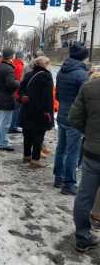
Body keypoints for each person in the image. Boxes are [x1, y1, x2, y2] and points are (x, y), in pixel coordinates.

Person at [68, 65, 100, 252]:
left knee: (85, 197)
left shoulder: (89, 87)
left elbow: (74, 118)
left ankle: (82, 236)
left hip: (92, 152)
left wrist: (88, 133)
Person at [54, 42, 89, 195]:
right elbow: (85, 99)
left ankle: (58, 178)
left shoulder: (63, 70)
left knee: (61, 148)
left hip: (62, 113)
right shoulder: (81, 74)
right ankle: (69, 184)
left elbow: (58, 94)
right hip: (74, 118)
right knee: (72, 151)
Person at [19, 56, 54, 167]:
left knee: (27, 134)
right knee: (38, 136)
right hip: (40, 111)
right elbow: (47, 96)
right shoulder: (47, 76)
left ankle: (26, 156)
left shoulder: (29, 74)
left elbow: (20, 89)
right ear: (45, 65)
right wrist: (47, 111)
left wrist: (23, 96)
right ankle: (35, 160)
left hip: (27, 109)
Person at [0, 48, 20, 151]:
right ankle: (3, 143)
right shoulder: (9, 69)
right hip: (6, 98)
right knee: (5, 123)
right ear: (11, 56)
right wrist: (18, 83)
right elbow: (11, 83)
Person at [9, 51, 25, 133]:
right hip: (17, 91)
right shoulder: (20, 66)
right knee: (16, 110)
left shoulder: (14, 64)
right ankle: (13, 126)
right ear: (20, 57)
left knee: (14, 110)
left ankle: (13, 125)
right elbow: (19, 80)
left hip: (12, 91)